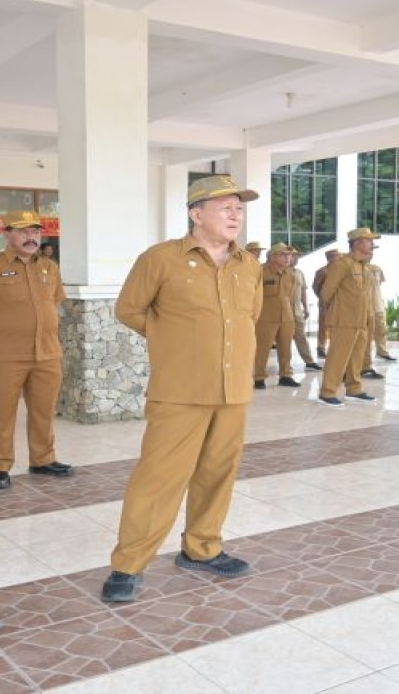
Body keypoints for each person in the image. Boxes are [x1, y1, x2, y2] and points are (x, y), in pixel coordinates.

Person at [100, 175, 263, 603]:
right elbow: (129, 309)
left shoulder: (248, 264)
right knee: (158, 479)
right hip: (179, 390)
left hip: (233, 391)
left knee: (217, 474)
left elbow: (250, 317)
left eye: (239, 207)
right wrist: (173, 340)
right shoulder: (160, 259)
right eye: (224, 206)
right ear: (196, 214)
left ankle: (202, 548)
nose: (235, 214)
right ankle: (128, 564)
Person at [0, 209, 73, 490]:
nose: (30, 237)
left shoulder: (49, 267)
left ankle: (43, 459)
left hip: (46, 352)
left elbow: (54, 301)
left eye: (34, 231)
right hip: (3, 354)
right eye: (22, 231)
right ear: (6, 234)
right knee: (0, 414)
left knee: (43, 411)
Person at [316, 228, 380, 407]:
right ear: (358, 243)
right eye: (369, 241)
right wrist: (331, 312)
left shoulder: (364, 265)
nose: (372, 244)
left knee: (357, 357)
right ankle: (327, 391)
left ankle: (354, 388)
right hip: (344, 319)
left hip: (361, 319)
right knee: (338, 356)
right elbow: (327, 291)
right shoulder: (342, 264)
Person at [253, 243, 300, 389]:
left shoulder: (290, 273)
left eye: (289, 255)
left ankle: (286, 375)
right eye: (283, 255)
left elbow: (290, 296)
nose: (288, 258)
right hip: (265, 316)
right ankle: (259, 377)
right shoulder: (261, 272)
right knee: (262, 348)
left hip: (286, 316)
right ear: (272, 257)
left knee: (286, 348)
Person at [287, 246, 321, 371]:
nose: (295, 259)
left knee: (301, 336)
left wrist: (306, 307)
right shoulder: (281, 272)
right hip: (283, 310)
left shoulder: (299, 273)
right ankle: (285, 365)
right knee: (284, 339)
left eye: (297, 256)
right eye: (293, 256)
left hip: (297, 310)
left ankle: (309, 361)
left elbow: (303, 292)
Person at [363, 255, 394, 376]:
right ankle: (365, 364)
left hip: (377, 304)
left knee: (381, 330)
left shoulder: (376, 268)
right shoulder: (354, 268)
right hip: (365, 307)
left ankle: (382, 351)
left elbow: (379, 284)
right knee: (366, 337)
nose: (369, 255)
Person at [312, 249, 339, 357]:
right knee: (324, 325)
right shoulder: (322, 271)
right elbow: (316, 287)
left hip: (339, 302)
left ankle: (335, 346)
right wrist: (323, 298)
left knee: (337, 325)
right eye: (334, 256)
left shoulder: (340, 270)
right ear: (328, 258)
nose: (336, 258)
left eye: (337, 256)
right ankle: (321, 347)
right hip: (325, 303)